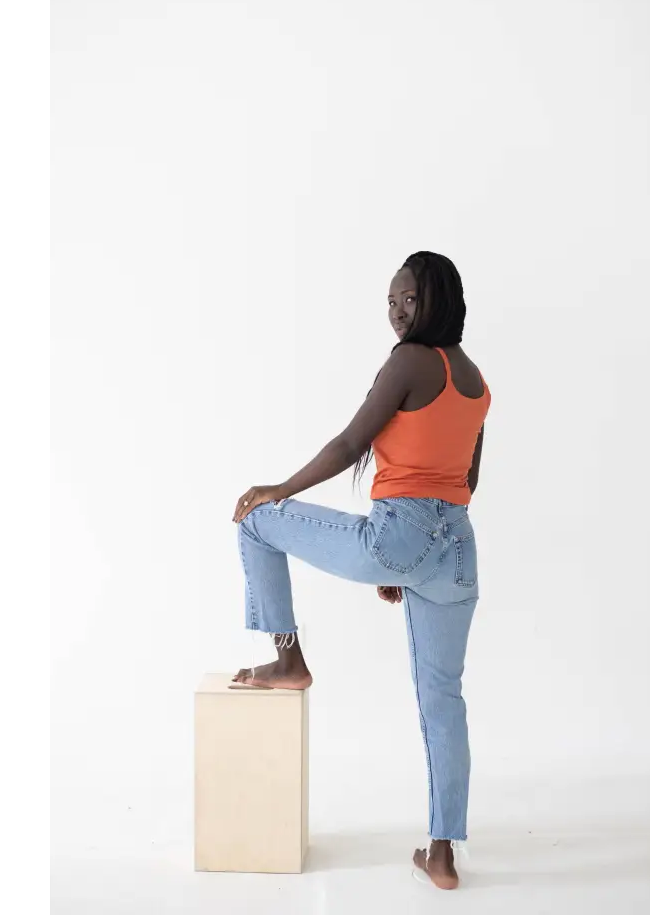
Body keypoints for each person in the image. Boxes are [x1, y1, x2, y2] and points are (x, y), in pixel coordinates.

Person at [230, 250, 490, 890]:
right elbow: (467, 479)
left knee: (255, 521)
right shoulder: (476, 379)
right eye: (393, 301)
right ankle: (443, 852)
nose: (399, 312)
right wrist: (416, 561)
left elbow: (351, 444)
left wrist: (279, 487)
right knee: (444, 701)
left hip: (401, 533)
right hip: (456, 551)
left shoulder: (409, 362)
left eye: (410, 299)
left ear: (439, 300)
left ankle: (287, 657)